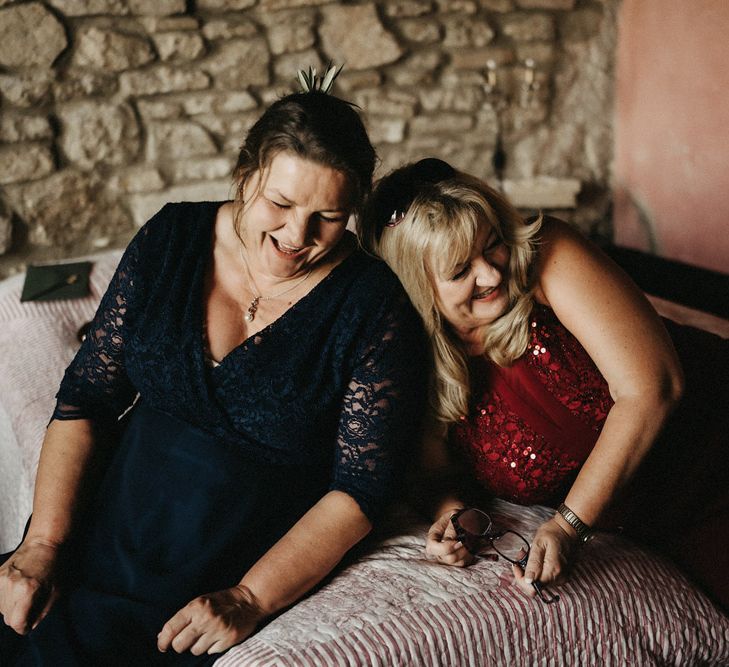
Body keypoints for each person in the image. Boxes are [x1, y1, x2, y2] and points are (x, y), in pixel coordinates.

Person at [0, 84, 427, 664]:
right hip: (111, 517)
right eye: (280, 204)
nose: (297, 237)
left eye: (327, 217)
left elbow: (360, 491)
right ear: (246, 175)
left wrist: (250, 597)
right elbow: (86, 400)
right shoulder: (171, 237)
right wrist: (42, 544)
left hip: (225, 553)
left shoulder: (372, 304)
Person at [359, 157, 729, 611]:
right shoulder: (414, 366)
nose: (492, 274)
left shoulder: (544, 253)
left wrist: (568, 525)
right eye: (460, 271)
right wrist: (456, 517)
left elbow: (654, 386)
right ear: (419, 291)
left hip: (715, 444)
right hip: (658, 522)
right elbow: (437, 477)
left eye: (491, 245)